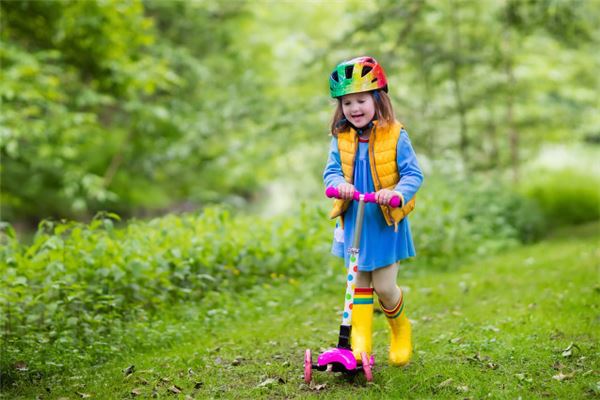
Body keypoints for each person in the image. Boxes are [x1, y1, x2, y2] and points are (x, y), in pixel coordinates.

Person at [323, 56, 424, 366]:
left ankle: (400, 330)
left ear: (378, 98)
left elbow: (413, 175)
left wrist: (396, 193)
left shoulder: (396, 134)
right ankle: (360, 345)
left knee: (384, 286)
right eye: (347, 102)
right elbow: (332, 172)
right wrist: (339, 184)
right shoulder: (341, 138)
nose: (354, 108)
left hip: (383, 221)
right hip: (354, 219)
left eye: (361, 100)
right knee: (358, 284)